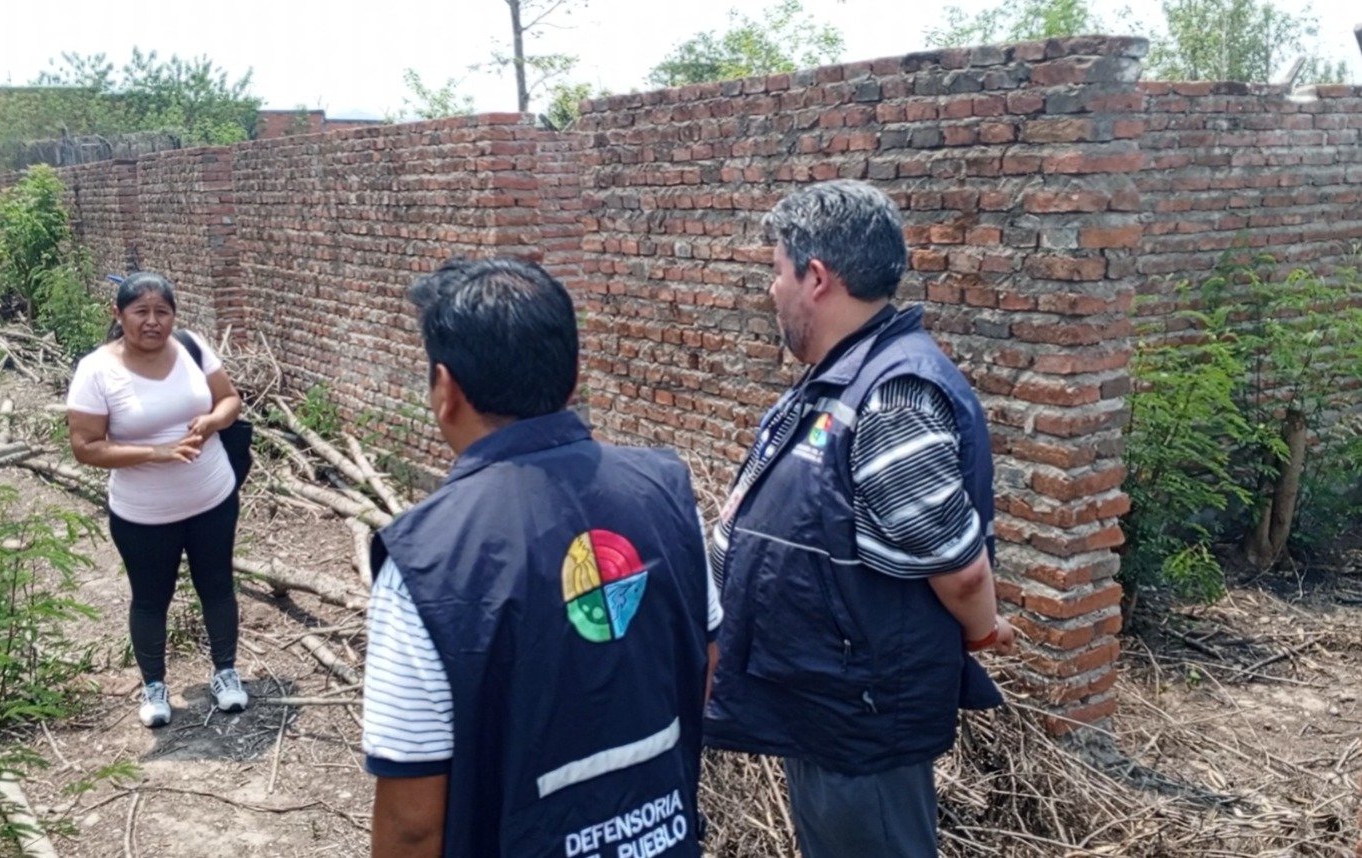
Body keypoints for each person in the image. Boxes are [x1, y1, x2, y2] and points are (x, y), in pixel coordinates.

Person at [362, 257, 722, 858]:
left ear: (446, 389)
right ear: (574, 376)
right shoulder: (668, 493)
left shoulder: (425, 560)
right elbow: (705, 664)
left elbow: (412, 819)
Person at [703, 179, 1017, 858]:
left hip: (859, 715)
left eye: (776, 271)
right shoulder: (846, 375)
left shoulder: (892, 395)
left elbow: (957, 567)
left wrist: (982, 628)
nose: (771, 290)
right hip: (824, 698)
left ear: (816, 277)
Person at [66, 271, 248, 728]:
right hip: (143, 514)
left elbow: (230, 400)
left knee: (218, 586)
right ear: (118, 314)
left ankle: (225, 672)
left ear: (174, 315)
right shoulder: (96, 370)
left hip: (212, 497)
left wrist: (209, 423)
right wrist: (156, 452)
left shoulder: (191, 346)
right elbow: (85, 445)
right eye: (140, 312)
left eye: (162, 312)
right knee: (150, 598)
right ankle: (154, 685)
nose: (153, 322)